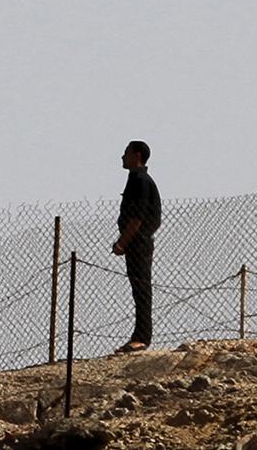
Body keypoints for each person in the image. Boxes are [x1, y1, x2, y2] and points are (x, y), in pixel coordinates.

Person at [112, 140, 161, 353]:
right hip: (136, 242)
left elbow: (137, 217)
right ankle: (139, 335)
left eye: (126, 153)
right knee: (138, 289)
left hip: (138, 243)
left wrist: (123, 242)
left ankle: (142, 337)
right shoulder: (135, 179)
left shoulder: (140, 181)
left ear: (137, 155)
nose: (123, 157)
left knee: (141, 289)